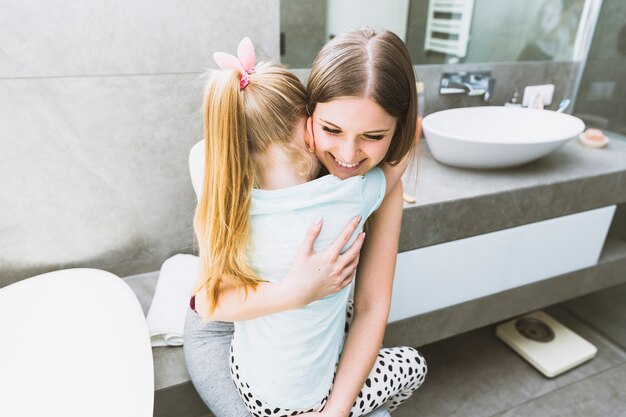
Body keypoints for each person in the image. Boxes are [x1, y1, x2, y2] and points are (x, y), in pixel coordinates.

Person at [184, 28, 427, 417]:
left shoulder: (369, 184)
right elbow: (207, 303)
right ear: (305, 113)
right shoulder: (255, 165)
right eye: (330, 129)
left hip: (291, 352)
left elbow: (370, 306)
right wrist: (295, 292)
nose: (348, 155)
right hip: (224, 325)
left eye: (374, 135)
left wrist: (335, 412)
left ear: (394, 131)